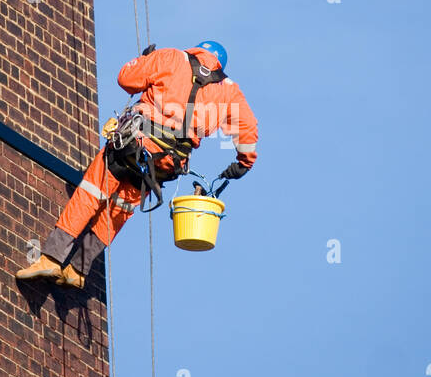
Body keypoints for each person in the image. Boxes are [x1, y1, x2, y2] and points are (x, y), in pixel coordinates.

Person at [17, 40, 259, 288]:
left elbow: (126, 79)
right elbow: (248, 129)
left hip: (136, 143)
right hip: (166, 164)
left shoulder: (172, 58)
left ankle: (51, 258)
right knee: (121, 208)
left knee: (91, 192)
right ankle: (79, 269)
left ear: (197, 50)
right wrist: (243, 163)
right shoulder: (228, 91)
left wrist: (145, 60)